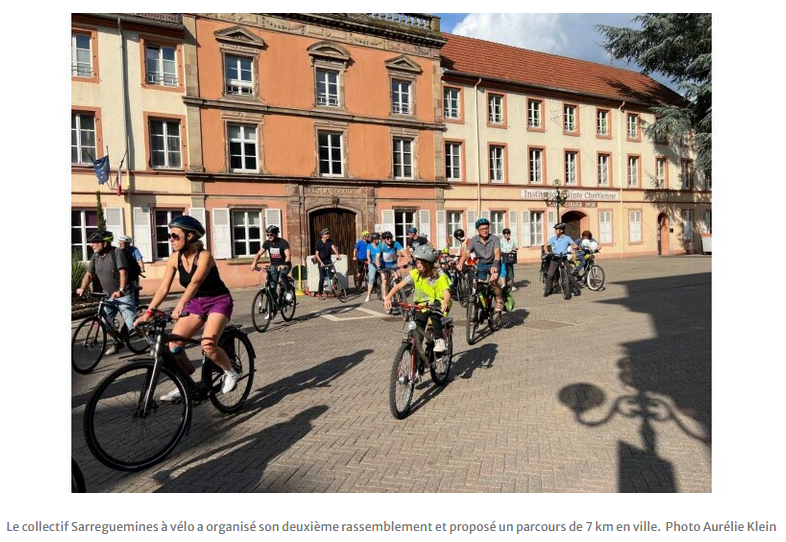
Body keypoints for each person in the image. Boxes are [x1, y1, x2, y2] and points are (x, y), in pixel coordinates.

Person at [133, 215, 239, 401]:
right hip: (196, 303)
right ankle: (185, 385)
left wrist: (180, 305)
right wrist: (148, 313)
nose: (170, 240)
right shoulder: (174, 258)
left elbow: (195, 282)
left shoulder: (205, 256)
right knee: (173, 346)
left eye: (175, 236)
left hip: (218, 301)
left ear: (190, 236)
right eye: (170, 236)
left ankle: (230, 372)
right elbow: (164, 288)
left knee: (207, 344)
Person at [76, 231, 137, 355]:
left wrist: (121, 290)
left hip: (123, 295)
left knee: (133, 326)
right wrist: (83, 287)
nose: (91, 245)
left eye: (94, 242)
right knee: (105, 323)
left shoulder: (117, 252)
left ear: (104, 243)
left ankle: (152, 341)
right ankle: (117, 341)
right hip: (107, 295)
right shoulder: (95, 256)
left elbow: (123, 272)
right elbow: (89, 274)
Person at [384, 245, 451, 355]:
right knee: (418, 329)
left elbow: (446, 292)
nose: (418, 265)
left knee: (434, 315)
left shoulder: (439, 274)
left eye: (421, 263)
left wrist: (444, 302)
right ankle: (417, 359)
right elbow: (398, 286)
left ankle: (439, 340)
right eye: (417, 262)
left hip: (437, 302)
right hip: (421, 305)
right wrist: (387, 297)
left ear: (428, 263)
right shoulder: (415, 273)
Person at [457, 218, 504, 313]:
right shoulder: (474, 240)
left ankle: (499, 300)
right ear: (478, 230)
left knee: (493, 282)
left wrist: (495, 266)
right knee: (478, 285)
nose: (485, 231)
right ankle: (482, 303)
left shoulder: (495, 239)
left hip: (494, 262)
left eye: (486, 228)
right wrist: (460, 263)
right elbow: (466, 253)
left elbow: (497, 253)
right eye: (482, 229)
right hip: (482, 264)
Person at [250, 225, 293, 301]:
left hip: (285, 265)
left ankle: (288, 291)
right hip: (274, 266)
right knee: (272, 286)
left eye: (271, 234)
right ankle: (274, 303)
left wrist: (284, 265)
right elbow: (259, 254)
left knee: (283, 275)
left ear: (276, 234)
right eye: (267, 235)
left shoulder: (283, 243)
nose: (269, 236)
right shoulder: (267, 243)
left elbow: (288, 255)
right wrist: (254, 263)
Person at [543, 222, 581, 297]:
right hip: (555, 258)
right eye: (555, 229)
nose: (555, 231)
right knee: (550, 275)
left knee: (570, 275)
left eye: (557, 229)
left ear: (561, 230)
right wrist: (547, 252)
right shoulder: (553, 238)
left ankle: (577, 289)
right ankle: (548, 290)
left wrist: (576, 248)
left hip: (563, 258)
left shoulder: (567, 238)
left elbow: (574, 245)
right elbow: (545, 245)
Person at [376, 231, 408, 299]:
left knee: (398, 276)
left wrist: (409, 260)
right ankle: (385, 297)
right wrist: (378, 267)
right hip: (383, 265)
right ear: (384, 239)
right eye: (388, 238)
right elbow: (377, 257)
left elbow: (403, 252)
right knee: (384, 279)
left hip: (393, 264)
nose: (390, 240)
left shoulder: (395, 243)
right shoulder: (381, 246)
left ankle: (397, 292)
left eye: (391, 238)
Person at [315, 228, 341, 299]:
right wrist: (321, 263)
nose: (328, 235)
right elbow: (317, 254)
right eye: (326, 234)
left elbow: (334, 248)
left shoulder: (330, 241)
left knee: (331, 276)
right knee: (322, 277)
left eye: (328, 234)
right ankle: (320, 293)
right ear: (322, 235)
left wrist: (338, 255)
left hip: (328, 260)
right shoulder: (318, 243)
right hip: (321, 261)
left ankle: (332, 291)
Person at [118, 235, 145, 304]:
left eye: (122, 243)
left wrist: (142, 267)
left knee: (135, 285)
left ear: (127, 244)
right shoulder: (118, 251)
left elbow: (139, 259)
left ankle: (136, 301)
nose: (120, 245)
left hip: (132, 271)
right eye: (119, 243)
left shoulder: (133, 249)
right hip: (123, 271)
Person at [364, 232, 382, 302]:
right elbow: (368, 254)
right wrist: (369, 260)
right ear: (374, 240)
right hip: (372, 263)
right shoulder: (369, 246)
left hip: (380, 263)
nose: (379, 240)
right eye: (377, 239)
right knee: (371, 278)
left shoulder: (380, 245)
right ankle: (368, 295)